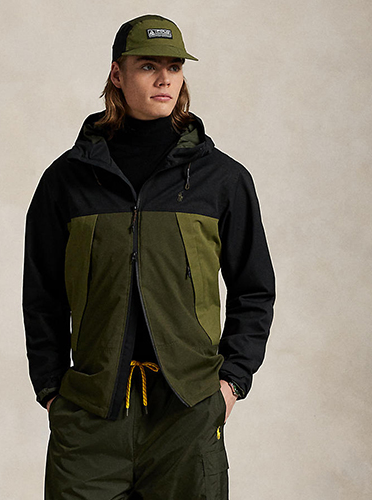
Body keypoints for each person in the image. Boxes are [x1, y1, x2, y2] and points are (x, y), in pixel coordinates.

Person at [23, 14, 275, 500]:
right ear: (117, 74)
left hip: (187, 412)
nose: (165, 79)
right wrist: (52, 391)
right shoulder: (67, 179)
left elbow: (255, 289)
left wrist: (230, 384)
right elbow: (42, 295)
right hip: (91, 414)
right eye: (148, 66)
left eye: (174, 67)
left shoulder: (222, 179)